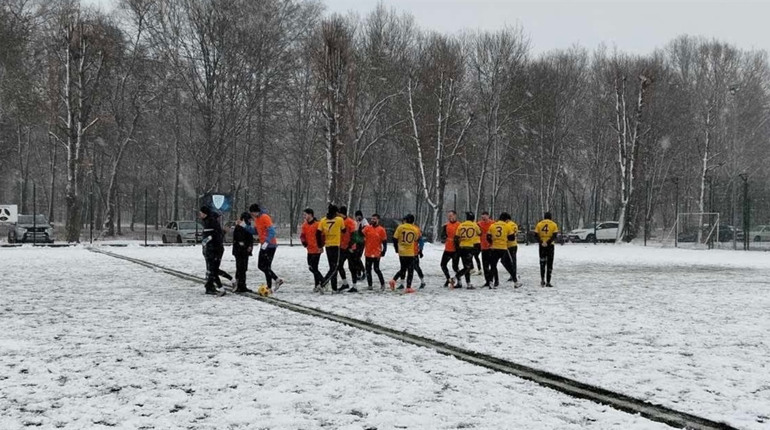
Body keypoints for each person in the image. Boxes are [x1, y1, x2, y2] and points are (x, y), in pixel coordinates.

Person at [248, 204, 284, 294]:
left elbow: (272, 231)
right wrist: (245, 227)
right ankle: (276, 280)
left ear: (256, 211)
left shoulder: (265, 217)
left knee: (266, 266)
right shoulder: (257, 219)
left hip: (270, 245)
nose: (252, 215)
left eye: (253, 213)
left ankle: (270, 285)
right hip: (263, 244)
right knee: (262, 266)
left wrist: (267, 241)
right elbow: (256, 230)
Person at [199, 206, 231, 296]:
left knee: (212, 269)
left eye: (201, 213)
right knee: (212, 269)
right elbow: (213, 235)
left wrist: (206, 242)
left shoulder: (210, 222)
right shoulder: (208, 222)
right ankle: (212, 286)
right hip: (211, 249)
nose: (200, 215)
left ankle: (214, 287)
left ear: (205, 214)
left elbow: (213, 236)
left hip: (213, 249)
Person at [318, 204, 346, 293]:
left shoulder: (323, 220)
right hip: (336, 245)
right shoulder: (339, 220)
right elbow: (344, 230)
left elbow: (318, 233)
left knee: (332, 267)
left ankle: (334, 288)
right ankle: (323, 283)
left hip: (328, 246)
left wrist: (319, 245)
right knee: (335, 268)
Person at [389, 214, 420, 293]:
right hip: (410, 252)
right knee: (410, 270)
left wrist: (397, 248)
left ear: (405, 220)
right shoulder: (414, 229)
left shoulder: (400, 227)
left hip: (402, 251)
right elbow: (416, 239)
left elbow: (395, 238)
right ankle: (408, 287)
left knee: (403, 268)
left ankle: (394, 280)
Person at [451, 211, 482, 289]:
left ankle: (468, 283)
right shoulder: (474, 225)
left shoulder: (461, 225)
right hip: (470, 247)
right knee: (467, 267)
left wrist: (457, 247)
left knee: (466, 266)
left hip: (461, 247)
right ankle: (455, 278)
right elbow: (480, 233)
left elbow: (456, 237)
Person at [487, 212, 517, 289]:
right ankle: (515, 281)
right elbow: (512, 238)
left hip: (494, 248)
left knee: (493, 266)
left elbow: (488, 237)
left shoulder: (492, 225)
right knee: (509, 265)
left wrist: (492, 242)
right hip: (503, 248)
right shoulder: (507, 226)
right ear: (506, 219)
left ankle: (490, 282)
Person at [395, 221, 426, 290]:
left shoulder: (415, 229)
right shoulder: (403, 228)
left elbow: (420, 240)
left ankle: (422, 281)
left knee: (415, 267)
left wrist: (420, 250)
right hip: (406, 252)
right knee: (404, 268)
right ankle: (402, 284)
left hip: (413, 252)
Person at [361, 213, 388, 290]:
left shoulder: (381, 230)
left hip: (376, 253)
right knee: (368, 270)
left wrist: (384, 250)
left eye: (374, 219)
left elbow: (384, 241)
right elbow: (361, 234)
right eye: (372, 219)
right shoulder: (367, 228)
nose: (372, 220)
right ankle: (370, 285)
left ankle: (382, 284)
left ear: (378, 220)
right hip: (368, 252)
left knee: (376, 269)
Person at [300, 208, 324, 291]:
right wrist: (304, 242)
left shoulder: (317, 224)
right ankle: (318, 283)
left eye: (305, 214)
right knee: (312, 267)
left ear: (310, 215)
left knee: (313, 267)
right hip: (309, 249)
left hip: (317, 249)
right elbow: (302, 235)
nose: (304, 216)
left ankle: (323, 281)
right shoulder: (304, 225)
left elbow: (322, 236)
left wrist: (321, 246)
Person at [534, 211, 559, 287]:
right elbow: (554, 235)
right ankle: (548, 281)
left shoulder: (539, 224)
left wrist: (542, 242)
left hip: (542, 246)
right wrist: (548, 242)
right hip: (550, 246)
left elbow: (535, 235)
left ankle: (542, 280)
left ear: (544, 217)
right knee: (549, 263)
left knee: (542, 262)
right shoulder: (554, 224)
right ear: (550, 217)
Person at [232, 212, 255, 293]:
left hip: (243, 251)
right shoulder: (240, 227)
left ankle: (240, 284)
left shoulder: (245, 227)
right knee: (241, 268)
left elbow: (249, 238)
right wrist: (247, 247)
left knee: (242, 268)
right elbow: (240, 240)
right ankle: (240, 285)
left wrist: (249, 246)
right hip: (240, 251)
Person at [337, 206, 358, 292]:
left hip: (350, 248)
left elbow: (354, 235)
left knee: (352, 267)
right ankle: (345, 283)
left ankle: (354, 285)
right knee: (339, 265)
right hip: (342, 247)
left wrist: (350, 245)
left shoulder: (350, 222)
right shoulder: (339, 221)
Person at [439, 210, 461, 287]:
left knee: (455, 266)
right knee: (443, 265)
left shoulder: (459, 225)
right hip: (448, 249)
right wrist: (444, 238)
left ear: (455, 216)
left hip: (456, 250)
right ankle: (448, 279)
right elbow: (442, 236)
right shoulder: (446, 226)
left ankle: (459, 281)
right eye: (448, 216)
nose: (450, 217)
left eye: (451, 216)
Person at [478, 211, 495, 286]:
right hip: (483, 247)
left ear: (488, 216)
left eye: (485, 217)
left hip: (491, 247)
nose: (483, 218)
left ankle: (493, 280)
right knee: (485, 265)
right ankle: (487, 280)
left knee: (492, 264)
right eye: (482, 217)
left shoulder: (493, 223)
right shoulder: (479, 224)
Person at [505, 215, 522, 287]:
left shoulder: (507, 225)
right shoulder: (514, 224)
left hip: (509, 244)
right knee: (514, 260)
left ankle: (513, 275)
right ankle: (513, 274)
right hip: (515, 244)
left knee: (508, 261)